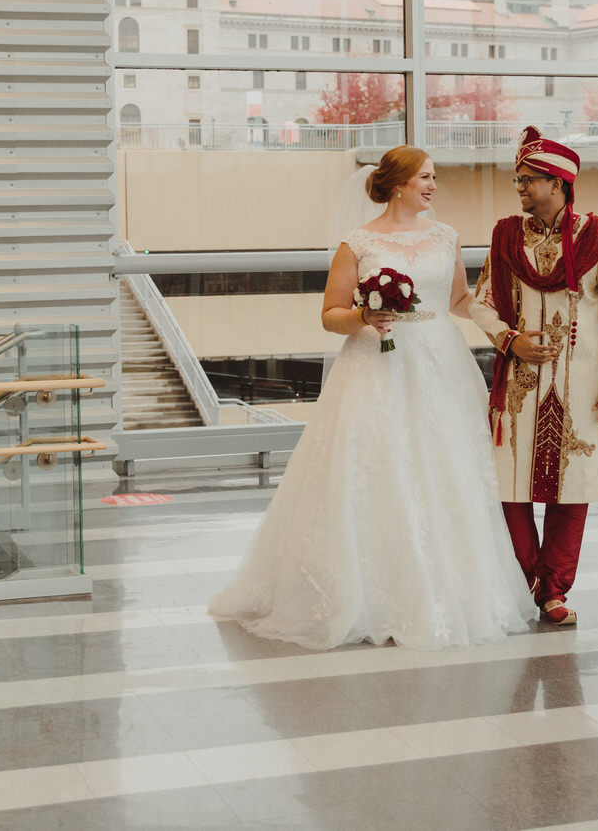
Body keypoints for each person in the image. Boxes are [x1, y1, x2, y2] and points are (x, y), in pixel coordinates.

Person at [208, 145, 537, 649]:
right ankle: (368, 592)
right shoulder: (358, 243)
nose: (433, 186)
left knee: (444, 468)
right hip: (375, 364)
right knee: (377, 469)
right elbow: (331, 312)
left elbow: (459, 300)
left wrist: (505, 330)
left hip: (439, 362)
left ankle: (450, 590)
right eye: (426, 177)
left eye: (434, 177)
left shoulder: (445, 236)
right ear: (400, 183)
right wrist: (365, 317)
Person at [469, 126, 598, 627]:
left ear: (558, 182)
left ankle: (555, 590)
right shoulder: (504, 237)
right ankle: (534, 585)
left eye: (528, 180)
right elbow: (481, 304)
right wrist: (508, 339)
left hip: (579, 384)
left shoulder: (597, 237)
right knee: (509, 485)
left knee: (572, 488)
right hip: (518, 384)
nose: (519, 189)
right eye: (517, 180)